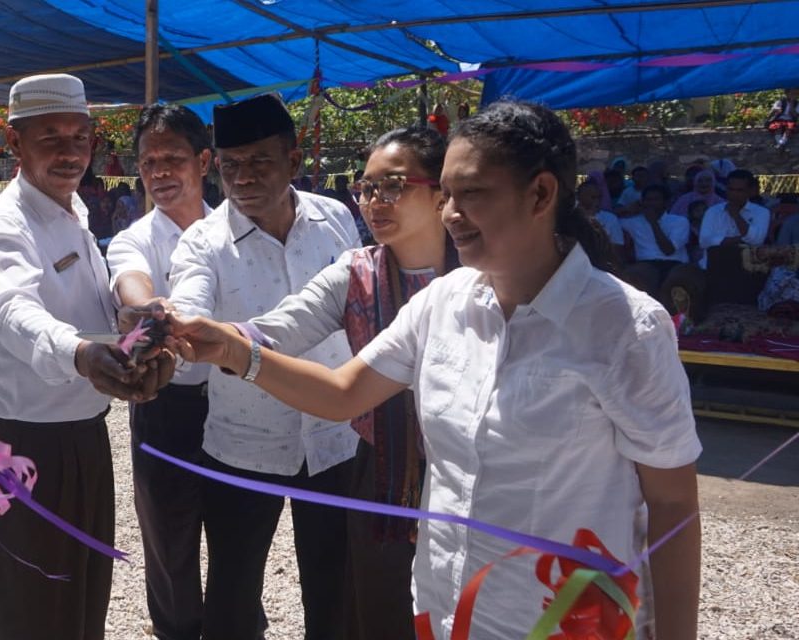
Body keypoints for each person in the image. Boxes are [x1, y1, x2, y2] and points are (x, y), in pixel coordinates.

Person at [167, 100, 702, 640]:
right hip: (448, 608)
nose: (451, 213)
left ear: (540, 194)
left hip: (561, 616)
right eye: (448, 195)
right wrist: (233, 350)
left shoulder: (625, 327)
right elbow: (343, 392)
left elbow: (673, 502)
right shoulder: (443, 302)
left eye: (470, 194)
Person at [0, 73, 173, 640]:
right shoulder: (3, 224)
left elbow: (85, 310)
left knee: (85, 599)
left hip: (84, 436)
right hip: (23, 445)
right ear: (14, 143)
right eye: (50, 136)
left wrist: (124, 330)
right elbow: (12, 309)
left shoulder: (73, 212)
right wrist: (80, 354)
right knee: (33, 607)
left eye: (79, 137)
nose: (69, 152)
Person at [242, 125, 454, 640]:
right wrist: (220, 338)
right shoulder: (355, 273)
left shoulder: (481, 272)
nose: (374, 201)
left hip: (465, 473)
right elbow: (282, 327)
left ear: (441, 193)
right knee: (382, 609)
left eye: (394, 186)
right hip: (380, 469)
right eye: (365, 188)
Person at [166, 93, 360, 639]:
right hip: (243, 443)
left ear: (293, 162)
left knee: (334, 587)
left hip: (333, 438)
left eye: (259, 162)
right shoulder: (203, 242)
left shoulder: (336, 221)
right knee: (232, 591)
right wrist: (175, 328)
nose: (243, 178)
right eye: (230, 166)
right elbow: (190, 299)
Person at [106, 103, 213, 640]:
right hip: (167, 405)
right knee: (169, 540)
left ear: (204, 161)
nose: (161, 172)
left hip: (236, 405)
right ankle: (175, 629)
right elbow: (132, 284)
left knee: (239, 533)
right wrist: (146, 311)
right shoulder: (135, 238)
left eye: (174, 158)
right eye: (149, 162)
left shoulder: (236, 230)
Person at [620, 184, 691, 306]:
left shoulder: (679, 221)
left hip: (674, 264)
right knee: (636, 278)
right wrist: (627, 209)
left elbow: (668, 250)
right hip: (645, 264)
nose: (651, 204)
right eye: (648, 200)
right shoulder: (634, 221)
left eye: (656, 199)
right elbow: (608, 219)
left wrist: (653, 223)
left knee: (676, 284)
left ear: (665, 202)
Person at [697, 168, 770, 269]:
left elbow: (756, 241)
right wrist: (738, 240)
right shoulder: (713, 211)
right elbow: (704, 241)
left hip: (745, 269)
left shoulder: (761, 212)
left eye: (740, 190)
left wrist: (736, 215)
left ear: (750, 191)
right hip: (712, 267)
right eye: (731, 189)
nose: (734, 194)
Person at [577, 178, 627, 260]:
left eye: (599, 197)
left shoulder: (610, 218)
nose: (597, 201)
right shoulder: (569, 216)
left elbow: (618, 248)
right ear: (579, 197)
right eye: (593, 197)